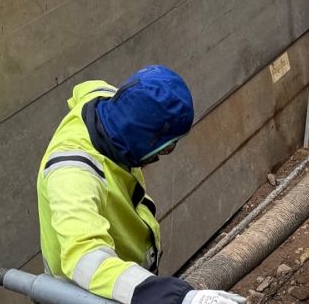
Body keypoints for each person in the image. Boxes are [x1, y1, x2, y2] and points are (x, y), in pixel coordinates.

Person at [37, 65, 244, 304]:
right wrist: (176, 298)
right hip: (86, 294)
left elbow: (84, 89)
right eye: (165, 147)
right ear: (140, 137)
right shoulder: (73, 176)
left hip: (124, 281)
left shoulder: (105, 104)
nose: (165, 154)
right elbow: (85, 261)